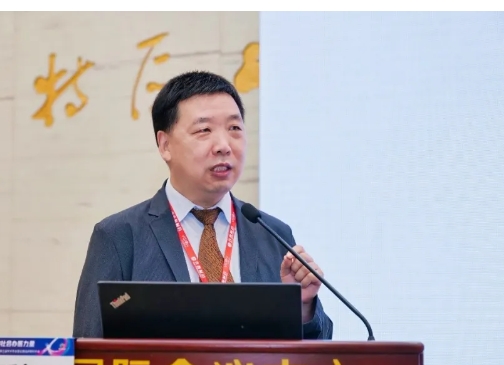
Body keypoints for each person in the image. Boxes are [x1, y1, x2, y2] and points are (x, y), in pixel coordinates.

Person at [73, 70, 333, 339]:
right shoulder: (119, 237)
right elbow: (88, 347)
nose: (223, 146)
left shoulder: (272, 233)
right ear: (165, 145)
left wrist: (303, 308)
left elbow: (318, 346)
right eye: (204, 130)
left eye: (234, 128)